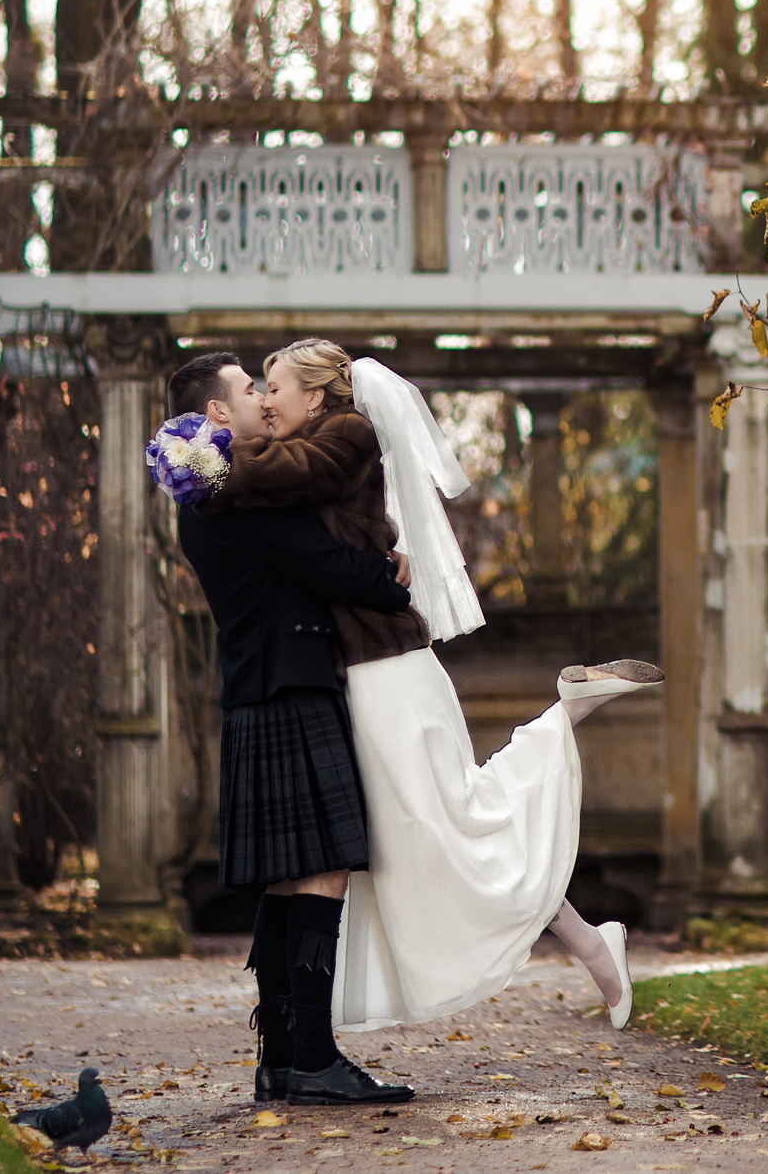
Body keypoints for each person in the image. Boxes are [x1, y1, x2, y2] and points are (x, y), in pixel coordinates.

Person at [163, 341, 661, 1048]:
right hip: (358, 670)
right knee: (430, 836)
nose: (265, 400)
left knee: (450, 821)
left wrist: (197, 457)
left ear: (315, 392)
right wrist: (203, 455)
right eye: (255, 388)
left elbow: (311, 526)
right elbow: (321, 548)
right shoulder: (281, 463)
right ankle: (585, 937)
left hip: (384, 665)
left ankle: (564, 718)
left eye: (272, 386)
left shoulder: (341, 435)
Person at [160, 351, 418, 1107]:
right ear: (215, 412)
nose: (261, 403)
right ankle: (309, 1053)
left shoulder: (205, 485)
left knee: (286, 874)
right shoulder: (235, 493)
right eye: (248, 390)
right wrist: (391, 576)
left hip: (259, 681)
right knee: (324, 865)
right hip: (289, 679)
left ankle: (280, 1053)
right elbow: (322, 563)